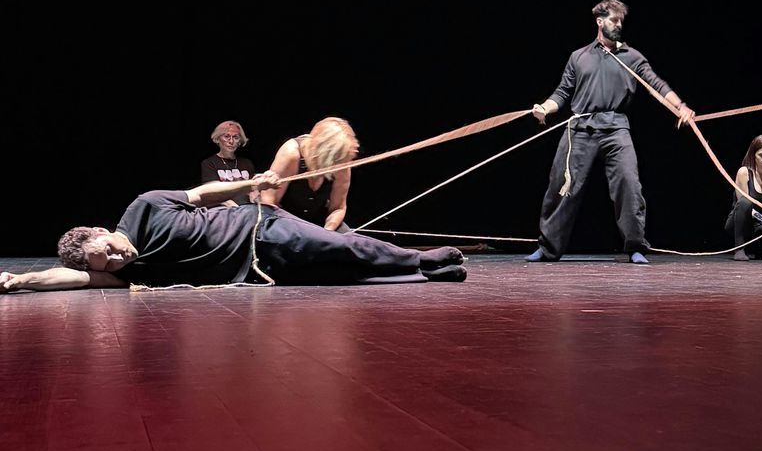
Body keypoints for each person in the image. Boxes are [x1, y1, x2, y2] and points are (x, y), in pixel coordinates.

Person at [0, 172, 466, 293]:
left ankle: (423, 259)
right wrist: (20, 280)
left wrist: (250, 185)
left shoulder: (145, 206)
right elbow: (78, 278)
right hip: (261, 273)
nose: (120, 260)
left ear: (103, 230)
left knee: (343, 246)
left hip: (259, 229)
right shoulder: (125, 272)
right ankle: (425, 274)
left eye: (111, 250)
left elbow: (201, 194)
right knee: (342, 274)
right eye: (110, 264)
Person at [527, 0, 694, 264]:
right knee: (561, 185)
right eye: (614, 20)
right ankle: (548, 248)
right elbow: (562, 92)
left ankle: (635, 246)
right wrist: (544, 108)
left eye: (620, 21)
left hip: (616, 128)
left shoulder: (632, 57)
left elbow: (657, 85)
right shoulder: (579, 57)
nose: (618, 25)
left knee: (629, 184)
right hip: (580, 128)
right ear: (600, 21)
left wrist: (681, 107)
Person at [258, 117, 358, 232]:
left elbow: (338, 208)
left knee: (347, 239)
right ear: (326, 154)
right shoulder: (291, 153)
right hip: (283, 221)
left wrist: (327, 232)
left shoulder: (342, 161)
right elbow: (268, 202)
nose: (342, 165)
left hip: (318, 221)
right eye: (337, 160)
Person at [200, 121, 256, 186]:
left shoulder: (247, 163)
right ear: (217, 139)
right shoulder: (209, 163)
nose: (231, 141)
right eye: (226, 136)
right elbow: (212, 189)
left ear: (239, 142)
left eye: (236, 137)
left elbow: (254, 188)